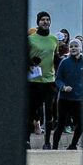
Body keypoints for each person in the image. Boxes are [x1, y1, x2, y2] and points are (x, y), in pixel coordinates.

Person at [27, 12, 58, 143]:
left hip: (49, 80)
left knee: (49, 112)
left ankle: (47, 142)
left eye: (47, 19)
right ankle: (26, 140)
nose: (45, 22)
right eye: (42, 20)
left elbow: (55, 57)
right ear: (38, 22)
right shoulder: (31, 39)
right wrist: (30, 63)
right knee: (31, 111)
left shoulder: (54, 39)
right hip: (34, 80)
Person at [53, 36, 83, 148]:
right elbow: (58, 79)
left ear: (80, 48)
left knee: (81, 123)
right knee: (61, 124)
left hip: (79, 99)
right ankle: (54, 147)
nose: (73, 48)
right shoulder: (64, 62)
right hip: (64, 99)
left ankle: (73, 145)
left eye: (76, 46)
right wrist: (63, 87)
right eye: (71, 46)